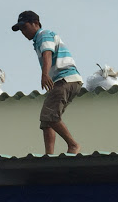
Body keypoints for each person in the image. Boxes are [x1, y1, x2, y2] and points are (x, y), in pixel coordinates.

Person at [12, 10, 82, 154]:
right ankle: (49, 154)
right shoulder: (39, 39)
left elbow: (47, 53)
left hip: (65, 78)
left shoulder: (44, 35)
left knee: (49, 115)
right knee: (47, 121)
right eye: (21, 30)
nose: (23, 32)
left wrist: (44, 75)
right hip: (64, 81)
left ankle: (73, 145)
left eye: (25, 27)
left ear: (35, 23)